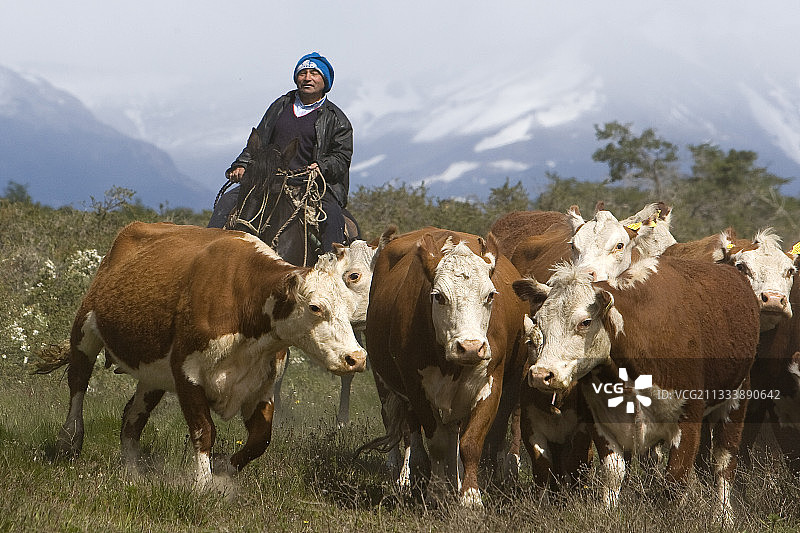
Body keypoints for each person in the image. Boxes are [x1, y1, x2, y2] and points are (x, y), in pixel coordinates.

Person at [209, 52, 353, 253]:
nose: (307, 78)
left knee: (332, 217)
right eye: (303, 73)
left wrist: (321, 166)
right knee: (227, 202)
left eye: (314, 73)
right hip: (269, 179)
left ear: (325, 80)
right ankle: (209, 256)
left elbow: (341, 157)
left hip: (312, 184)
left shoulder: (337, 119)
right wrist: (241, 164)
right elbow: (259, 139)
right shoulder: (280, 105)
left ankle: (330, 273)